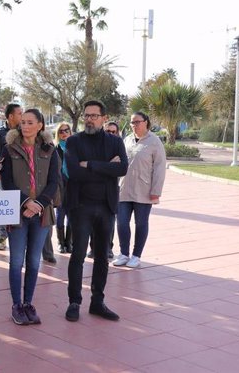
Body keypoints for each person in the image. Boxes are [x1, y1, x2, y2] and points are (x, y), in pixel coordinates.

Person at [64, 100, 128, 323]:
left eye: (94, 115)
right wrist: (106, 167)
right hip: (81, 207)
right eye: (87, 115)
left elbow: (122, 168)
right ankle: (74, 302)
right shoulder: (73, 141)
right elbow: (73, 172)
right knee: (78, 256)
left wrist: (89, 164)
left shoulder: (115, 141)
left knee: (102, 257)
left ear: (103, 117)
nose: (89, 119)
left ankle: (97, 302)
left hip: (107, 207)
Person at [0, 108, 60, 325]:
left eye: (29, 122)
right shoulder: (9, 149)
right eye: (22, 122)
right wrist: (26, 202)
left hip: (42, 214)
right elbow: (6, 182)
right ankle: (16, 304)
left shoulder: (50, 150)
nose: (24, 126)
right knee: (16, 261)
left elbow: (54, 182)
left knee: (34, 261)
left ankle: (28, 303)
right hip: (17, 213)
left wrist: (38, 204)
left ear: (40, 125)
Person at [113, 112, 166, 269]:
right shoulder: (127, 140)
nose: (134, 125)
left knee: (141, 223)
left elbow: (159, 168)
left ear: (146, 122)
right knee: (122, 222)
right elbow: (118, 160)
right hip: (124, 188)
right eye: (131, 122)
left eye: (137, 122)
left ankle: (136, 256)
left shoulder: (154, 142)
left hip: (144, 190)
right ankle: (124, 253)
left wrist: (156, 191)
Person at [88, 120, 122, 259]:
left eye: (114, 131)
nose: (111, 134)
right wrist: (108, 165)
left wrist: (101, 166)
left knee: (109, 221)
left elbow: (119, 169)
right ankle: (93, 248)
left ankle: (108, 247)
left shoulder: (119, 147)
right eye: (108, 131)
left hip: (111, 190)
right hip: (93, 189)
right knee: (92, 220)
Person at [0, 103, 22, 251]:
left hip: (22, 178)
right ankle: (2, 238)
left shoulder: (24, 131)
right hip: (5, 178)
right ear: (11, 116)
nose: (22, 116)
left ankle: (18, 238)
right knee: (6, 207)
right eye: (19, 114)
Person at [54, 122, 73, 253]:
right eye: (61, 131)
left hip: (73, 185)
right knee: (60, 215)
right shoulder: (55, 149)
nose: (64, 133)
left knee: (71, 216)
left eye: (67, 130)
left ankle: (69, 243)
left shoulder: (76, 148)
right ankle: (61, 243)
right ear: (58, 134)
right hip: (60, 186)